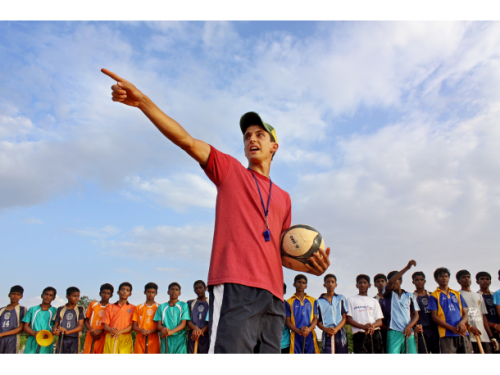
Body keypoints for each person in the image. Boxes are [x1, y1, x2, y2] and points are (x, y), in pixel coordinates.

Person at [101, 68, 331, 353]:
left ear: (275, 146)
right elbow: (186, 140)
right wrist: (143, 102)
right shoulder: (230, 170)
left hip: (273, 297)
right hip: (235, 288)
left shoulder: (284, 197)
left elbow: (281, 249)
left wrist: (310, 263)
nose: (252, 139)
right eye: (247, 135)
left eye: (260, 134)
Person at [429, 267, 472, 353]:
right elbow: (434, 317)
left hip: (463, 333)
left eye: (446, 276)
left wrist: (461, 323)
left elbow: (465, 314)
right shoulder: (434, 295)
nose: (444, 278)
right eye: (441, 276)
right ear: (436, 279)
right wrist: (452, 328)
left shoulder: (457, 294)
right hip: (446, 334)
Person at [381, 261, 420, 354]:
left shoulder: (409, 295)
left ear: (401, 281)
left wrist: (410, 326)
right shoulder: (388, 293)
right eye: (391, 281)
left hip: (408, 331)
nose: (393, 283)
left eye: (396, 280)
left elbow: (416, 315)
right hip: (393, 332)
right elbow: (391, 282)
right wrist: (407, 267)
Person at [456, 270, 497, 353]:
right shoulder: (456, 295)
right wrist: (469, 327)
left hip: (483, 336)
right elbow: (457, 317)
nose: (467, 279)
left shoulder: (478, 296)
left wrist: (491, 336)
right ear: (458, 281)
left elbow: (483, 317)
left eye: (468, 277)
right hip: (468, 336)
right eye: (463, 277)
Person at [346, 274, 384, 354]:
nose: (362, 285)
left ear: (369, 285)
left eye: (365, 282)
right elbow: (348, 319)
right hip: (359, 335)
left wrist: (372, 326)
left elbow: (379, 321)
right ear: (357, 285)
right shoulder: (351, 299)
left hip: (374, 334)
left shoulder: (374, 301)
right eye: (360, 283)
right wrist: (362, 326)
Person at [285, 274, 319, 354]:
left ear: (306, 286)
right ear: (294, 284)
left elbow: (315, 319)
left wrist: (308, 330)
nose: (301, 284)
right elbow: (288, 322)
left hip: (310, 334)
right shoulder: (289, 302)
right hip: (296, 334)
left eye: (304, 283)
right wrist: (299, 331)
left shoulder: (312, 300)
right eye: (299, 282)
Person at [154, 282, 190, 354]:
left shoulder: (184, 305)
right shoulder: (162, 307)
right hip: (166, 339)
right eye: (172, 289)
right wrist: (163, 329)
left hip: (180, 339)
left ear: (179, 293)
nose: (174, 291)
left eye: (176, 290)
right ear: (168, 292)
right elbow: (158, 325)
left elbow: (183, 324)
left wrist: (171, 332)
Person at [317, 274, 348, 354]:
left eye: (332, 282)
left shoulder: (341, 298)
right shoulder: (318, 301)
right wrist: (326, 329)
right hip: (326, 332)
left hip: (340, 332)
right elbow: (317, 321)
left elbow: (344, 318)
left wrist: (336, 329)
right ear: (324, 284)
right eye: (328, 282)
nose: (330, 284)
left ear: (336, 284)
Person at [102, 282, 135, 354]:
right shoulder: (110, 307)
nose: (124, 292)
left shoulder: (133, 308)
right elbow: (105, 326)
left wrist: (121, 331)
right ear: (118, 292)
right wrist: (111, 330)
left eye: (127, 290)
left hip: (125, 338)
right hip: (111, 336)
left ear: (130, 294)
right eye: (122, 289)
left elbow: (132, 326)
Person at [22, 287, 57, 354]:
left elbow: (56, 326)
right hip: (33, 339)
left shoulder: (56, 311)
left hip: (47, 340)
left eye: (50, 295)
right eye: (46, 294)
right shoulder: (33, 309)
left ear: (54, 298)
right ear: (42, 295)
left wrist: (52, 332)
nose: (47, 297)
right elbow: (25, 327)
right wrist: (34, 333)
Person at [412, 271, 440, 354]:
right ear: (413, 282)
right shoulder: (412, 297)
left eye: (421, 279)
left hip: (435, 329)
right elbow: (410, 314)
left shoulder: (432, 295)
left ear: (425, 281)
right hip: (421, 331)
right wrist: (414, 326)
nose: (419, 282)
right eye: (417, 280)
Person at [83, 283, 113, 354]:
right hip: (90, 334)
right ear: (100, 293)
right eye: (103, 293)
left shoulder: (112, 307)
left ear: (111, 295)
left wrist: (100, 331)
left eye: (108, 293)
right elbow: (86, 320)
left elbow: (111, 324)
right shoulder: (93, 304)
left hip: (103, 336)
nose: (105, 295)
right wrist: (91, 330)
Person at [53, 287, 85, 354]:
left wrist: (67, 332)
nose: (77, 298)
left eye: (78, 296)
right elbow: (55, 325)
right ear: (67, 296)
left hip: (74, 339)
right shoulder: (60, 309)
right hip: (62, 339)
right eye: (74, 296)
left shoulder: (80, 309)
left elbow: (80, 327)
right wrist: (55, 331)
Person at [132, 282, 160, 354]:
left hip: (154, 338)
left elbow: (160, 325)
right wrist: (142, 331)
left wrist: (150, 332)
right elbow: (134, 326)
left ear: (156, 293)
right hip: (141, 337)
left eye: (153, 292)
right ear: (145, 292)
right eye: (148, 292)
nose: (150, 294)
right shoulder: (139, 307)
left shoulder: (159, 307)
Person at [0, 285, 27, 353]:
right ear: (9, 295)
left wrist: (2, 334)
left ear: (21, 296)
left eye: (18, 294)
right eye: (13, 294)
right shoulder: (2, 310)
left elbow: (21, 328)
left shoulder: (22, 309)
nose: (15, 296)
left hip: (12, 339)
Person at [477, 271, 500, 349]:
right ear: (477, 281)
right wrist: (494, 325)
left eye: (487, 279)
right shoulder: (477, 297)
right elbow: (480, 316)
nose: (485, 281)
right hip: (486, 330)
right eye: (482, 279)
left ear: (490, 281)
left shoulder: (495, 295)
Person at [187, 280, 209, 354]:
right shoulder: (190, 303)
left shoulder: (211, 302)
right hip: (193, 335)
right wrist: (196, 329)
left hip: (206, 336)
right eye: (196, 289)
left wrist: (200, 332)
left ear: (205, 288)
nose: (198, 290)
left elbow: (212, 321)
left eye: (200, 287)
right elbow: (187, 320)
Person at [281, 283, 290, 354]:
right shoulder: (267, 303)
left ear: (284, 291)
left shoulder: (286, 304)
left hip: (285, 344)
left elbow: (289, 322)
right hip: (270, 342)